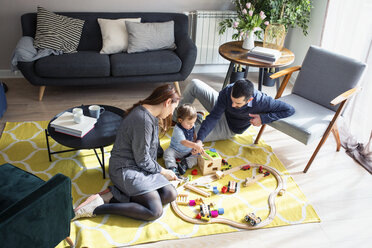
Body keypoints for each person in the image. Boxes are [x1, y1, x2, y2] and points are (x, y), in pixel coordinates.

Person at [73, 84, 180, 221]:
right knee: (154, 211)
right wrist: (163, 171)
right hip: (125, 168)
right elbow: (143, 160)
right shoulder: (143, 120)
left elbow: (150, 147)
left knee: (170, 194)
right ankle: (98, 206)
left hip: (140, 164)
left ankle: (116, 194)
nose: (171, 113)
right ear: (167, 102)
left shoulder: (150, 113)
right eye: (173, 108)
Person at [176, 79, 295, 147]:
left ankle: (197, 119)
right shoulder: (228, 91)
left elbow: (289, 110)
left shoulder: (263, 102)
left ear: (249, 100)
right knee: (194, 84)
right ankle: (176, 117)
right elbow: (213, 117)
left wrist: (263, 118)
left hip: (230, 126)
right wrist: (202, 139)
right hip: (220, 109)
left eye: (237, 104)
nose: (233, 105)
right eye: (232, 101)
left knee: (189, 138)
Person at [163, 104, 204, 176]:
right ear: (180, 120)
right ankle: (172, 167)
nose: (192, 125)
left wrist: (195, 145)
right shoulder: (177, 129)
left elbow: (194, 134)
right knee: (167, 153)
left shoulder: (192, 125)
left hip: (189, 151)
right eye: (189, 123)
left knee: (198, 157)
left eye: (193, 122)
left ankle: (184, 164)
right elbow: (184, 142)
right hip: (176, 150)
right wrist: (195, 145)